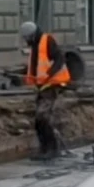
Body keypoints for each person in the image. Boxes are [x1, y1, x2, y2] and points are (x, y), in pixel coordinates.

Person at [19, 21, 71, 160]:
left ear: (31, 35)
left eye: (26, 38)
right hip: (43, 86)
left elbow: (60, 58)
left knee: (42, 116)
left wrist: (50, 73)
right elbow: (36, 65)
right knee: (38, 120)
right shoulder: (35, 45)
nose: (25, 41)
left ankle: (52, 149)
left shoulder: (47, 41)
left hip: (52, 84)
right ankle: (44, 148)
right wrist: (21, 73)